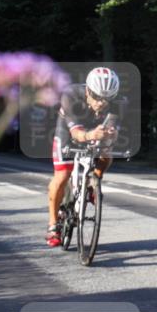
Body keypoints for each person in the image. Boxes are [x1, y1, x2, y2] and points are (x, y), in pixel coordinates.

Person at [46, 67, 122, 247]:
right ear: (88, 90)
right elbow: (77, 135)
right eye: (97, 97)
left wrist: (111, 134)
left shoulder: (118, 102)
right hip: (69, 131)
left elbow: (113, 130)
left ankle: (93, 183)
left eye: (107, 99)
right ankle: (52, 224)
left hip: (95, 130)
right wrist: (91, 135)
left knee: (106, 152)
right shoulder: (71, 95)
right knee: (63, 174)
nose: (102, 103)